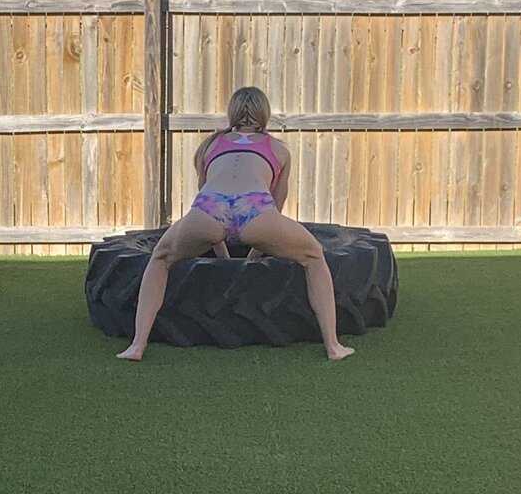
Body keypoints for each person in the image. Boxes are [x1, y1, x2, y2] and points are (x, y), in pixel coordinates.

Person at [116, 86, 355, 362]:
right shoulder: (278, 150)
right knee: (313, 256)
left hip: (210, 208)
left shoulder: (210, 146)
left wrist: (225, 258)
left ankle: (137, 345)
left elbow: (208, 206)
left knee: (160, 258)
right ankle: (333, 346)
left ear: (232, 112)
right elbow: (275, 208)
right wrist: (254, 251)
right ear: (264, 114)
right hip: (255, 208)